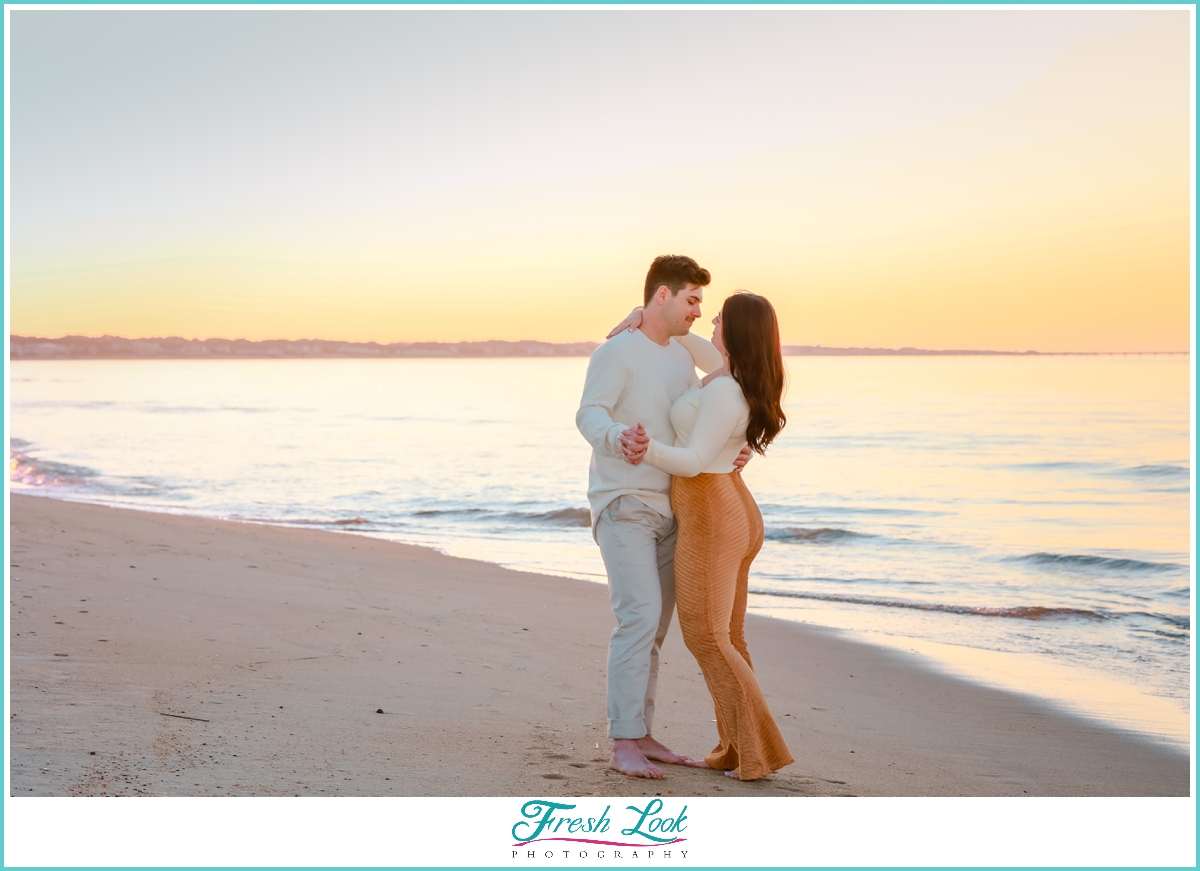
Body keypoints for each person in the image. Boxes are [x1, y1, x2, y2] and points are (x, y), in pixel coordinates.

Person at [576, 254, 751, 780]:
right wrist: (616, 438)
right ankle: (623, 741)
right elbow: (589, 413)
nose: (700, 310)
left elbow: (705, 416)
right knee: (637, 619)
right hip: (624, 502)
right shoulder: (617, 351)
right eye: (692, 299)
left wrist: (733, 452)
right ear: (663, 296)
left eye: (702, 302)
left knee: (652, 630)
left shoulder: (681, 356)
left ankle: (643, 732)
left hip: (676, 507)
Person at [619, 291, 793, 781]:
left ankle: (762, 752)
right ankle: (737, 748)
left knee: (708, 638)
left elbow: (694, 461)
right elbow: (690, 343)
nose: (710, 319)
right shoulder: (728, 372)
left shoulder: (724, 389)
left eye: (719, 317)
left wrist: (645, 450)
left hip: (712, 511)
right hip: (728, 504)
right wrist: (644, 316)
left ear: (737, 332)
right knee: (728, 637)